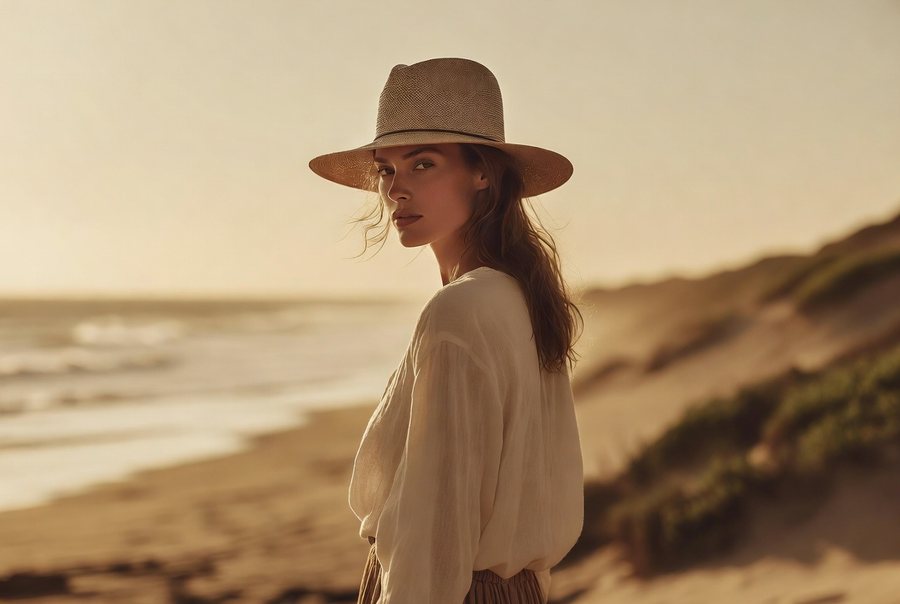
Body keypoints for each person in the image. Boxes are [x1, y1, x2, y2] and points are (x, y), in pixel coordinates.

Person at [308, 57, 585, 604]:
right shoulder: (520, 297)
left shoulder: (461, 311)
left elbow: (436, 524)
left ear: (483, 174)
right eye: (386, 170)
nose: (396, 189)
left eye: (423, 164)